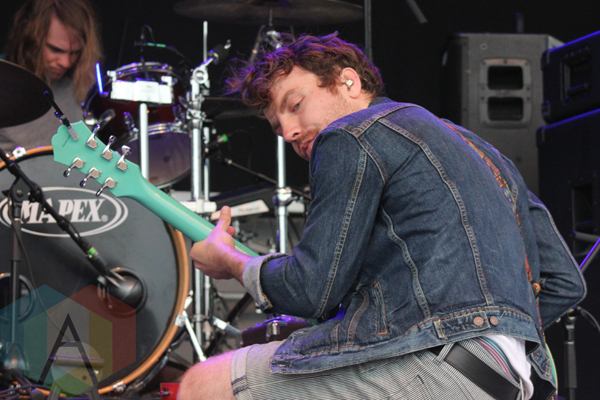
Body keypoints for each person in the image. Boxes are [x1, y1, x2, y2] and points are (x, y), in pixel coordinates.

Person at [179, 33, 586, 400]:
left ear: (349, 82)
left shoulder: (351, 133)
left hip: (435, 369)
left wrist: (231, 261)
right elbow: (565, 282)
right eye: (277, 126)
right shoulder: (480, 149)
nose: (288, 131)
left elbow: (310, 289)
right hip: (511, 383)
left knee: (204, 385)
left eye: (296, 105)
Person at [0, 0, 102, 152]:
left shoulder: (85, 88)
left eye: (75, 53)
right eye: (56, 50)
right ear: (30, 39)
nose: (66, 62)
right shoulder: (4, 79)